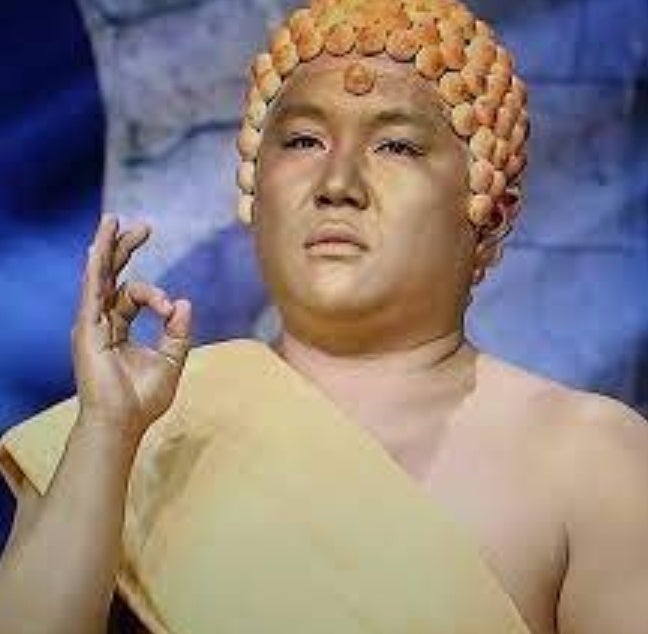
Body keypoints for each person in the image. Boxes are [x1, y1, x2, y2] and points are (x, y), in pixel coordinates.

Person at [1, 0, 647, 632]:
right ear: (252, 189)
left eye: (396, 146)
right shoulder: (135, 433)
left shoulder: (587, 459)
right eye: (304, 140)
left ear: (491, 212)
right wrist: (107, 433)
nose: (338, 183)